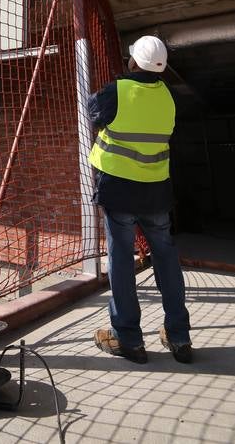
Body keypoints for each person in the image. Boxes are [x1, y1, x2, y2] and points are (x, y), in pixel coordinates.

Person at [88, 35, 191, 365]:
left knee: (121, 261)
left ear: (133, 62)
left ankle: (128, 339)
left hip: (119, 189)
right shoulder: (169, 98)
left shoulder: (117, 90)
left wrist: (116, 87)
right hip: (156, 190)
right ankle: (179, 336)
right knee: (166, 257)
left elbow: (93, 112)